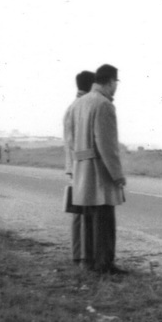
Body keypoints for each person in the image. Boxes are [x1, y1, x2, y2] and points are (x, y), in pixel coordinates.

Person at [64, 64, 127, 274]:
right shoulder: (104, 104)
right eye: (115, 84)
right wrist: (118, 175)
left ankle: (89, 262)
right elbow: (107, 146)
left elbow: (70, 141)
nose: (115, 88)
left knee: (88, 220)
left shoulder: (77, 104)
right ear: (110, 82)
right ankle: (104, 265)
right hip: (99, 171)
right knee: (104, 220)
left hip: (81, 170)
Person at [64, 70, 96, 266]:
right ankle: (83, 256)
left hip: (74, 165)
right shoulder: (80, 107)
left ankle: (79, 255)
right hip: (80, 165)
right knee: (83, 214)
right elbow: (76, 143)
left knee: (79, 214)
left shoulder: (73, 106)